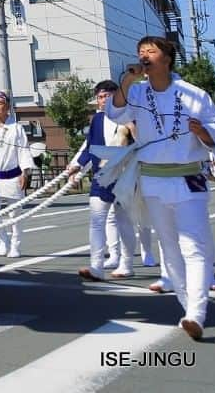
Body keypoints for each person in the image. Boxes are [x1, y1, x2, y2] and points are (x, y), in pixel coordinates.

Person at [104, 35, 215, 341]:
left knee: (193, 247)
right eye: (141, 52)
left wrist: (204, 134)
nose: (144, 56)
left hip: (188, 178)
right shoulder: (138, 92)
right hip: (153, 179)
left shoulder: (195, 94)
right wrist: (127, 83)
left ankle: (196, 312)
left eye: (151, 51)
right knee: (169, 247)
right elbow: (115, 114)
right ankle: (189, 307)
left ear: (166, 58)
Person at [69, 80, 135, 281]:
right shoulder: (96, 120)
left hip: (125, 175)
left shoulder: (131, 116)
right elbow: (90, 146)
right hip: (101, 176)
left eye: (107, 95)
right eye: (100, 96)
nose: (103, 100)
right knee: (97, 221)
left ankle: (127, 264)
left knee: (124, 222)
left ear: (117, 96)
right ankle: (96, 265)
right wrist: (78, 164)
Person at [0, 91, 33, 258]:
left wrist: (26, 172)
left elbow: (24, 151)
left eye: (0, 103)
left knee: (15, 214)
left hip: (14, 176)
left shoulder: (17, 128)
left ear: (8, 107)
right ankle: (3, 240)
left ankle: (16, 245)